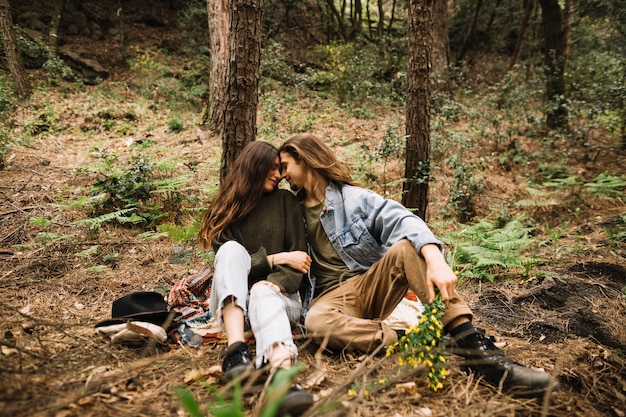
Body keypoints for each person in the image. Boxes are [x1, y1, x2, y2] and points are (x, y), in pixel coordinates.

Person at [279, 133, 558, 397]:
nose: (282, 174)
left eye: (285, 165)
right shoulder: (292, 209)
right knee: (316, 323)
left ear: (304, 158)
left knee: (405, 247)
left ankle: (476, 348)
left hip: (370, 285)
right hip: (330, 299)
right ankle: (424, 341)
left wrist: (435, 259)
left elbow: (403, 221)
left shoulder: (353, 199)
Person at [197, 141, 314, 415]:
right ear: (254, 167)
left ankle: (282, 379)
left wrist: (274, 283)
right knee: (230, 250)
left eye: (281, 169)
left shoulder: (286, 203)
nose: (280, 174)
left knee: (262, 293)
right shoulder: (227, 209)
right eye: (272, 169)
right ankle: (236, 352)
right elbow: (231, 265)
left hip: (278, 302)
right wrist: (275, 258)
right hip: (234, 308)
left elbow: (299, 259)